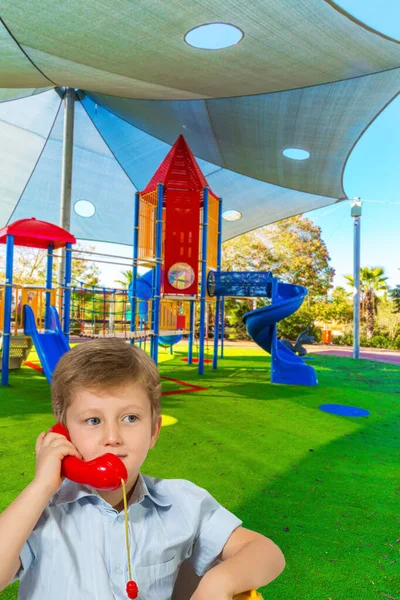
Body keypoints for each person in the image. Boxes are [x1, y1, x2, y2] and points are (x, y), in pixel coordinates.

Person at [0, 339, 285, 599]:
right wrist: (41, 486)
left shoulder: (181, 502)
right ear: (63, 434)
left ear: (153, 431)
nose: (112, 436)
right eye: (92, 421)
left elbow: (267, 553)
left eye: (130, 417)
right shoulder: (39, 511)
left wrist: (219, 581)